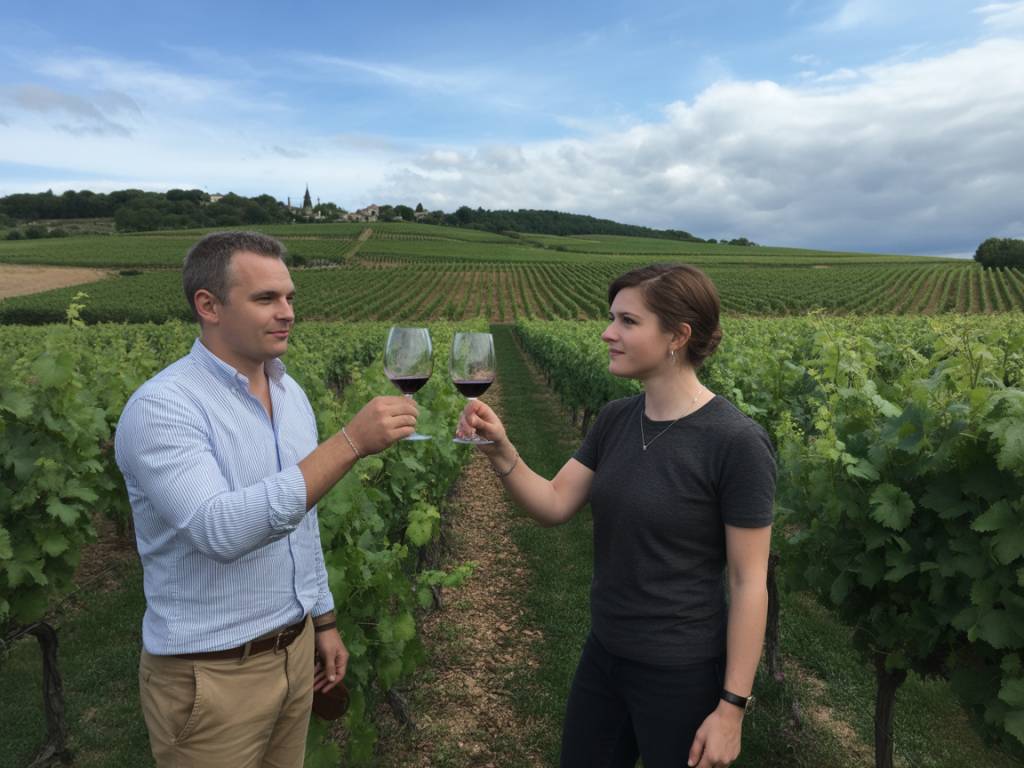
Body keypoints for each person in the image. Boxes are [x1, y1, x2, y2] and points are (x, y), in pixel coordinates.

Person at [115, 231, 418, 767]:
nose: (287, 313)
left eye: (290, 297)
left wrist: (321, 620)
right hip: (212, 676)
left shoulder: (289, 392)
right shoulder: (163, 408)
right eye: (266, 299)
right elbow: (219, 530)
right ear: (207, 305)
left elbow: (303, 522)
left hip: (296, 654)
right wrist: (348, 443)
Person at [458, 263, 776, 768]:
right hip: (604, 654)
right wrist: (501, 452)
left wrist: (731, 708)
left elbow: (748, 581)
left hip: (682, 672)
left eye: (627, 321)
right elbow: (555, 502)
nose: (608, 333)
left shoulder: (734, 442)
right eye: (612, 318)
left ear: (678, 335)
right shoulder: (616, 419)